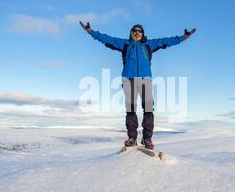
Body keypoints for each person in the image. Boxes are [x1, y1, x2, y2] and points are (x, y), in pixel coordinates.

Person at [80, 21, 196, 149]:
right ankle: (132, 138)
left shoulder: (148, 45)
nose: (137, 33)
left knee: (148, 109)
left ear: (143, 33)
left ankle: (147, 138)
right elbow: (107, 39)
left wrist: (184, 37)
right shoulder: (125, 44)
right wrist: (90, 31)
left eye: (139, 31)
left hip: (145, 79)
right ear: (131, 33)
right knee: (130, 109)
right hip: (128, 78)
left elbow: (167, 41)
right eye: (134, 31)